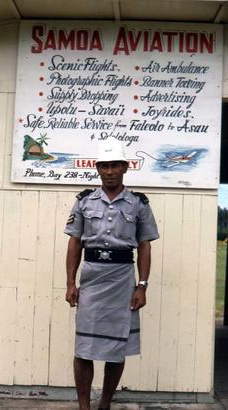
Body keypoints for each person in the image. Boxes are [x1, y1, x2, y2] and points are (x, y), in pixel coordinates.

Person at [64, 139, 159, 410]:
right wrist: (70, 283)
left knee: (116, 348)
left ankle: (105, 402)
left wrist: (142, 285)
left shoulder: (138, 204)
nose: (109, 171)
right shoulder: (84, 201)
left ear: (125, 168)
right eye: (104, 166)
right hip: (92, 278)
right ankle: (84, 406)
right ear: (97, 168)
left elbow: (144, 245)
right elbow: (74, 242)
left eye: (115, 165)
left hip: (122, 280)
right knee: (84, 348)